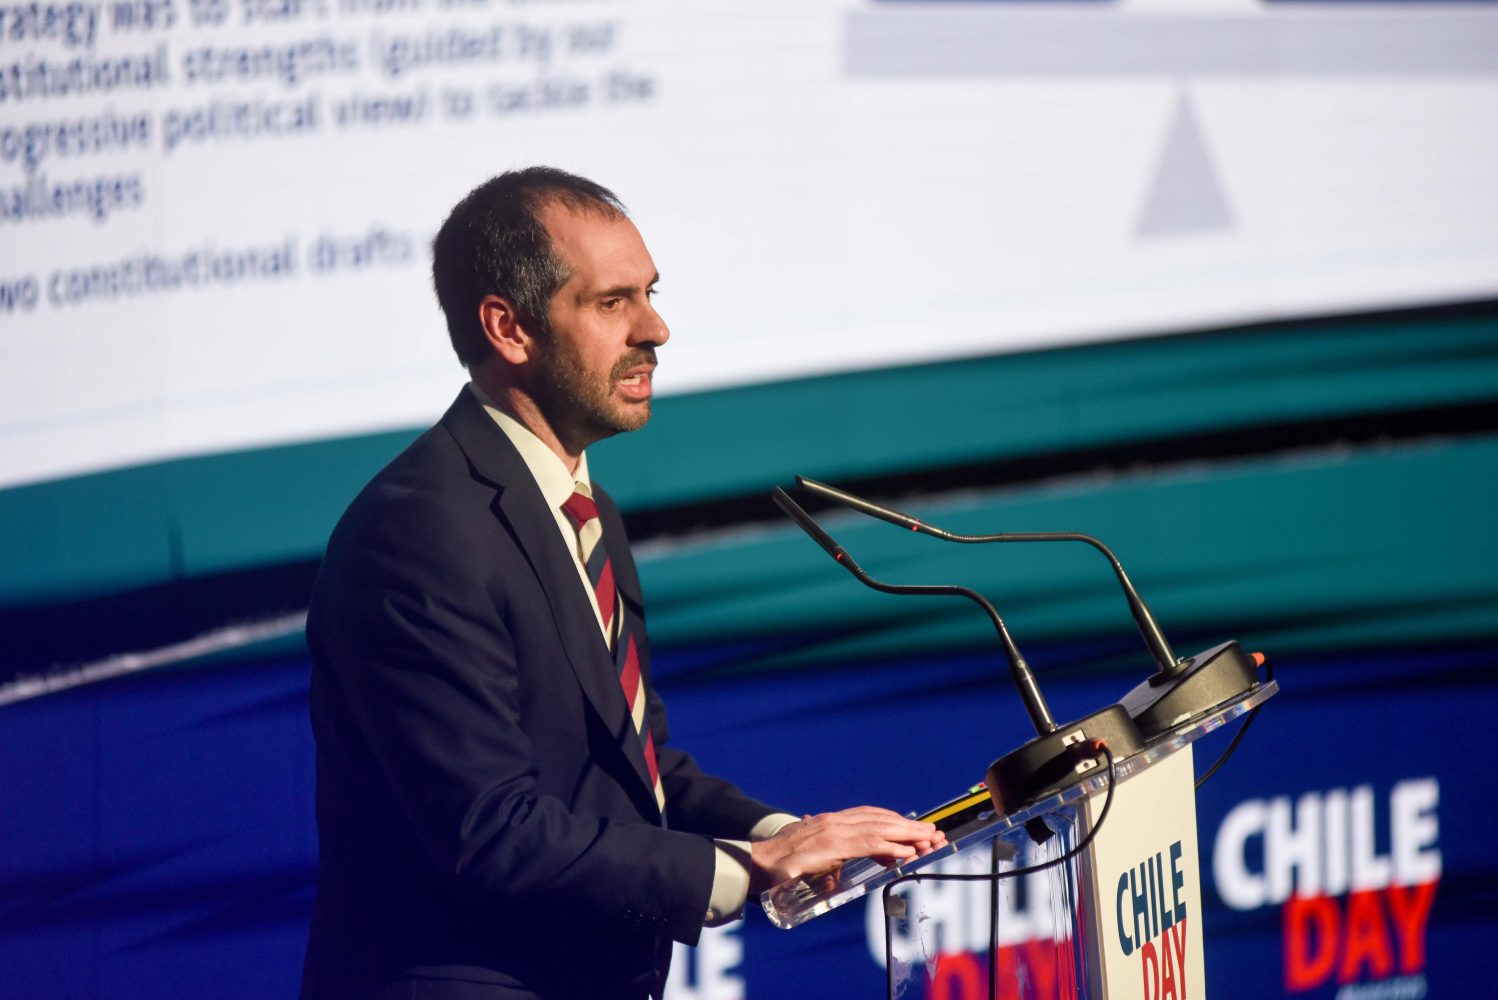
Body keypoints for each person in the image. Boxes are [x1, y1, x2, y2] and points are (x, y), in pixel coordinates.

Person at [300, 167, 943, 1000]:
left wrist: (790, 836)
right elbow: (491, 832)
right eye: (612, 303)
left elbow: (634, 768)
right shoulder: (417, 531)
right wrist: (749, 868)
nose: (656, 329)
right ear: (509, 328)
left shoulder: (582, 504)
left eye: (650, 294)